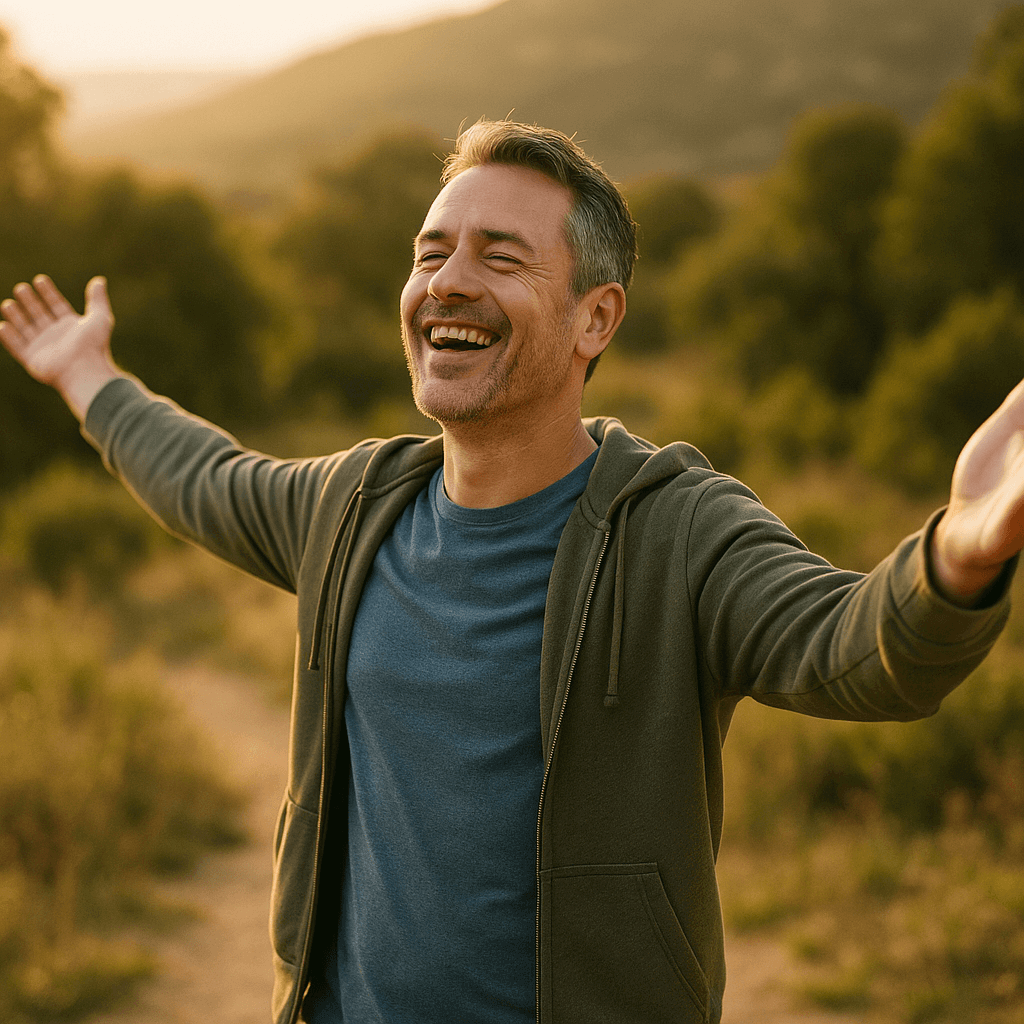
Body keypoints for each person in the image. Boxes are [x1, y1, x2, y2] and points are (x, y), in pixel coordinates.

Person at [1, 120, 1021, 1024]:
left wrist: (956, 555)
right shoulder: (352, 507)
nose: (446, 281)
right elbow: (207, 477)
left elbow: (850, 647)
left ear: (595, 319)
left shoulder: (677, 530)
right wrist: (88, 375)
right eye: (431, 251)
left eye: (499, 256)